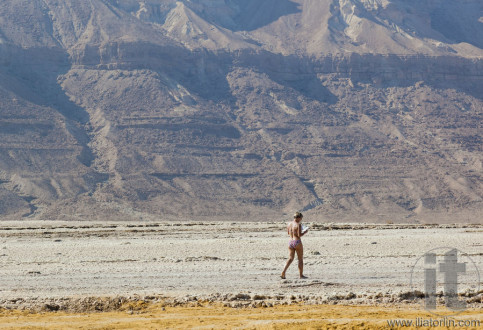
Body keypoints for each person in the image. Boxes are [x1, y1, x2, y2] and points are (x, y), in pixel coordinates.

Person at [281, 212, 308, 279]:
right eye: (301, 218)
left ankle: (283, 272)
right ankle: (301, 275)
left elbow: (288, 233)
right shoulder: (298, 225)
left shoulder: (289, 224)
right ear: (299, 218)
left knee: (290, 258)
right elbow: (299, 235)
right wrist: (305, 232)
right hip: (297, 241)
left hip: (290, 241)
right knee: (300, 259)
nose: (301, 219)